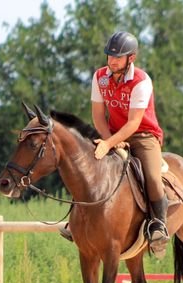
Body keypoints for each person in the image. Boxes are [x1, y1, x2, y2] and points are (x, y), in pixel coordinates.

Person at [60, 31, 169, 256]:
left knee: (151, 175)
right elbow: (98, 115)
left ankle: (159, 225)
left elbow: (134, 123)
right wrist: (110, 140)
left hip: (143, 135)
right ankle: (76, 223)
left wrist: (110, 143)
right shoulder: (100, 76)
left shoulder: (141, 80)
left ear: (132, 58)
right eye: (110, 56)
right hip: (111, 133)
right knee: (86, 165)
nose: (112, 61)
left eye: (118, 57)